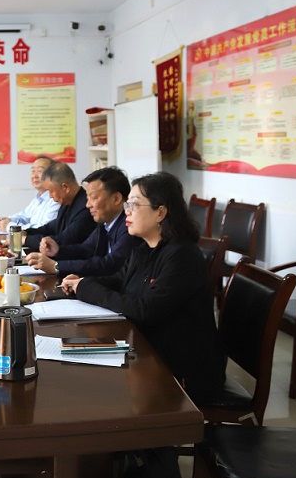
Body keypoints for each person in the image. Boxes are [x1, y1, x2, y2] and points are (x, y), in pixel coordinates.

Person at [61, 171, 225, 403]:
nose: (127, 211)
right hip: (148, 350)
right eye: (127, 204)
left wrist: (86, 288)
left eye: (134, 205)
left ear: (160, 212)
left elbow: (146, 310)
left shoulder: (182, 255)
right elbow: (119, 280)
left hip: (183, 369)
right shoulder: (145, 247)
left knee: (97, 391)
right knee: (72, 361)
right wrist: (80, 282)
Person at [25, 166, 140, 277]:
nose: (88, 205)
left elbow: (109, 264)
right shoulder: (105, 223)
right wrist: (58, 251)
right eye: (87, 198)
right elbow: (86, 249)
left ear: (116, 199)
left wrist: (56, 266)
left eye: (93, 198)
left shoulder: (130, 226)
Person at [21, 161, 95, 251]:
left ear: (65, 187)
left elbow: (64, 240)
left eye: (51, 191)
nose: (50, 196)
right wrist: (26, 232)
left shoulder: (86, 207)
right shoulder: (67, 202)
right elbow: (51, 228)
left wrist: (26, 240)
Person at [0, 156, 60, 232]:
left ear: (53, 175)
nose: (35, 176)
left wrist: (10, 226)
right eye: (33, 171)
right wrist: (9, 220)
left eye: (40, 171)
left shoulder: (56, 200)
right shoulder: (38, 198)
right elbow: (25, 216)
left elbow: (42, 229)